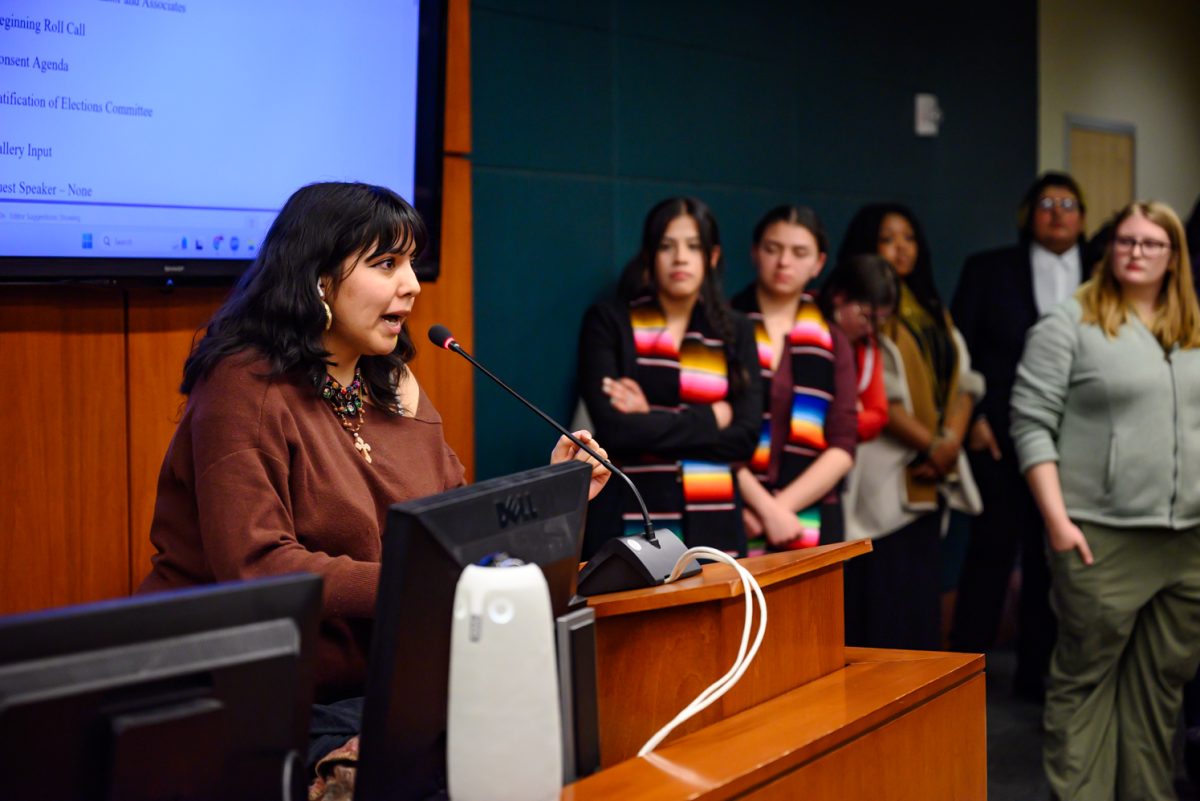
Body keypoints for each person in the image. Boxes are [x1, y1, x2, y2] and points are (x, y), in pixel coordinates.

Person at [134, 182, 610, 785]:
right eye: (387, 264)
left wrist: (554, 491)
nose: (411, 285)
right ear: (318, 280)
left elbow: (450, 536)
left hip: (377, 688)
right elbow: (257, 566)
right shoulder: (243, 385)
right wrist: (423, 584)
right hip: (251, 698)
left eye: (410, 264)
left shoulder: (393, 387)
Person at [1012, 200, 1200, 801]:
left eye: (1152, 243)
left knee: (1158, 689)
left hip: (1185, 544)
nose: (1137, 253)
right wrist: (1058, 522)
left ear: (1174, 257)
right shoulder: (1069, 323)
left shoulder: (1192, 328)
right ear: (1108, 249)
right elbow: (1030, 423)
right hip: (1099, 537)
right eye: (1126, 241)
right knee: (1085, 684)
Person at [949, 172, 1090, 701]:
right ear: (1028, 213)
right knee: (989, 552)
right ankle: (962, 672)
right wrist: (975, 418)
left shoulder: (1101, 272)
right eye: (1047, 203)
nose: (1058, 213)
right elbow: (958, 351)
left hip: (1074, 444)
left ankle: (1036, 674)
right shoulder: (988, 269)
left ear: (1083, 216)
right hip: (998, 437)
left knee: (1049, 558)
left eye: (1069, 204)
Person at [577, 196, 759, 557]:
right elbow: (614, 433)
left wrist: (648, 419)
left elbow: (744, 439)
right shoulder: (609, 321)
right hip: (628, 515)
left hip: (716, 520)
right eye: (666, 246)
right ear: (649, 256)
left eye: (693, 247)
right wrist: (711, 418)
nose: (680, 258)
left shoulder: (736, 329)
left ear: (713, 257)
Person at [836, 203, 983, 651]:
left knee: (920, 607)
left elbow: (966, 382)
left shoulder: (932, 308)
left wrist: (949, 443)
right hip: (884, 475)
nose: (901, 249)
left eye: (909, 238)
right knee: (884, 606)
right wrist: (934, 446)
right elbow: (880, 393)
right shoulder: (862, 311)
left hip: (932, 472)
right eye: (887, 239)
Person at [729, 205, 856, 554]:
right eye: (773, 249)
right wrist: (759, 507)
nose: (784, 262)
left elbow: (843, 443)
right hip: (733, 507)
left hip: (813, 512)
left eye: (799, 252)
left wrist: (779, 509)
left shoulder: (833, 340)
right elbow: (709, 431)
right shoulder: (719, 328)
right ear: (755, 253)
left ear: (818, 263)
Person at [816, 253, 898, 444]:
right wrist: (849, 413)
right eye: (866, 316)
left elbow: (878, 416)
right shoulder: (805, 322)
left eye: (880, 321)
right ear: (839, 296)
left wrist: (839, 420)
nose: (870, 328)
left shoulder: (867, 345)